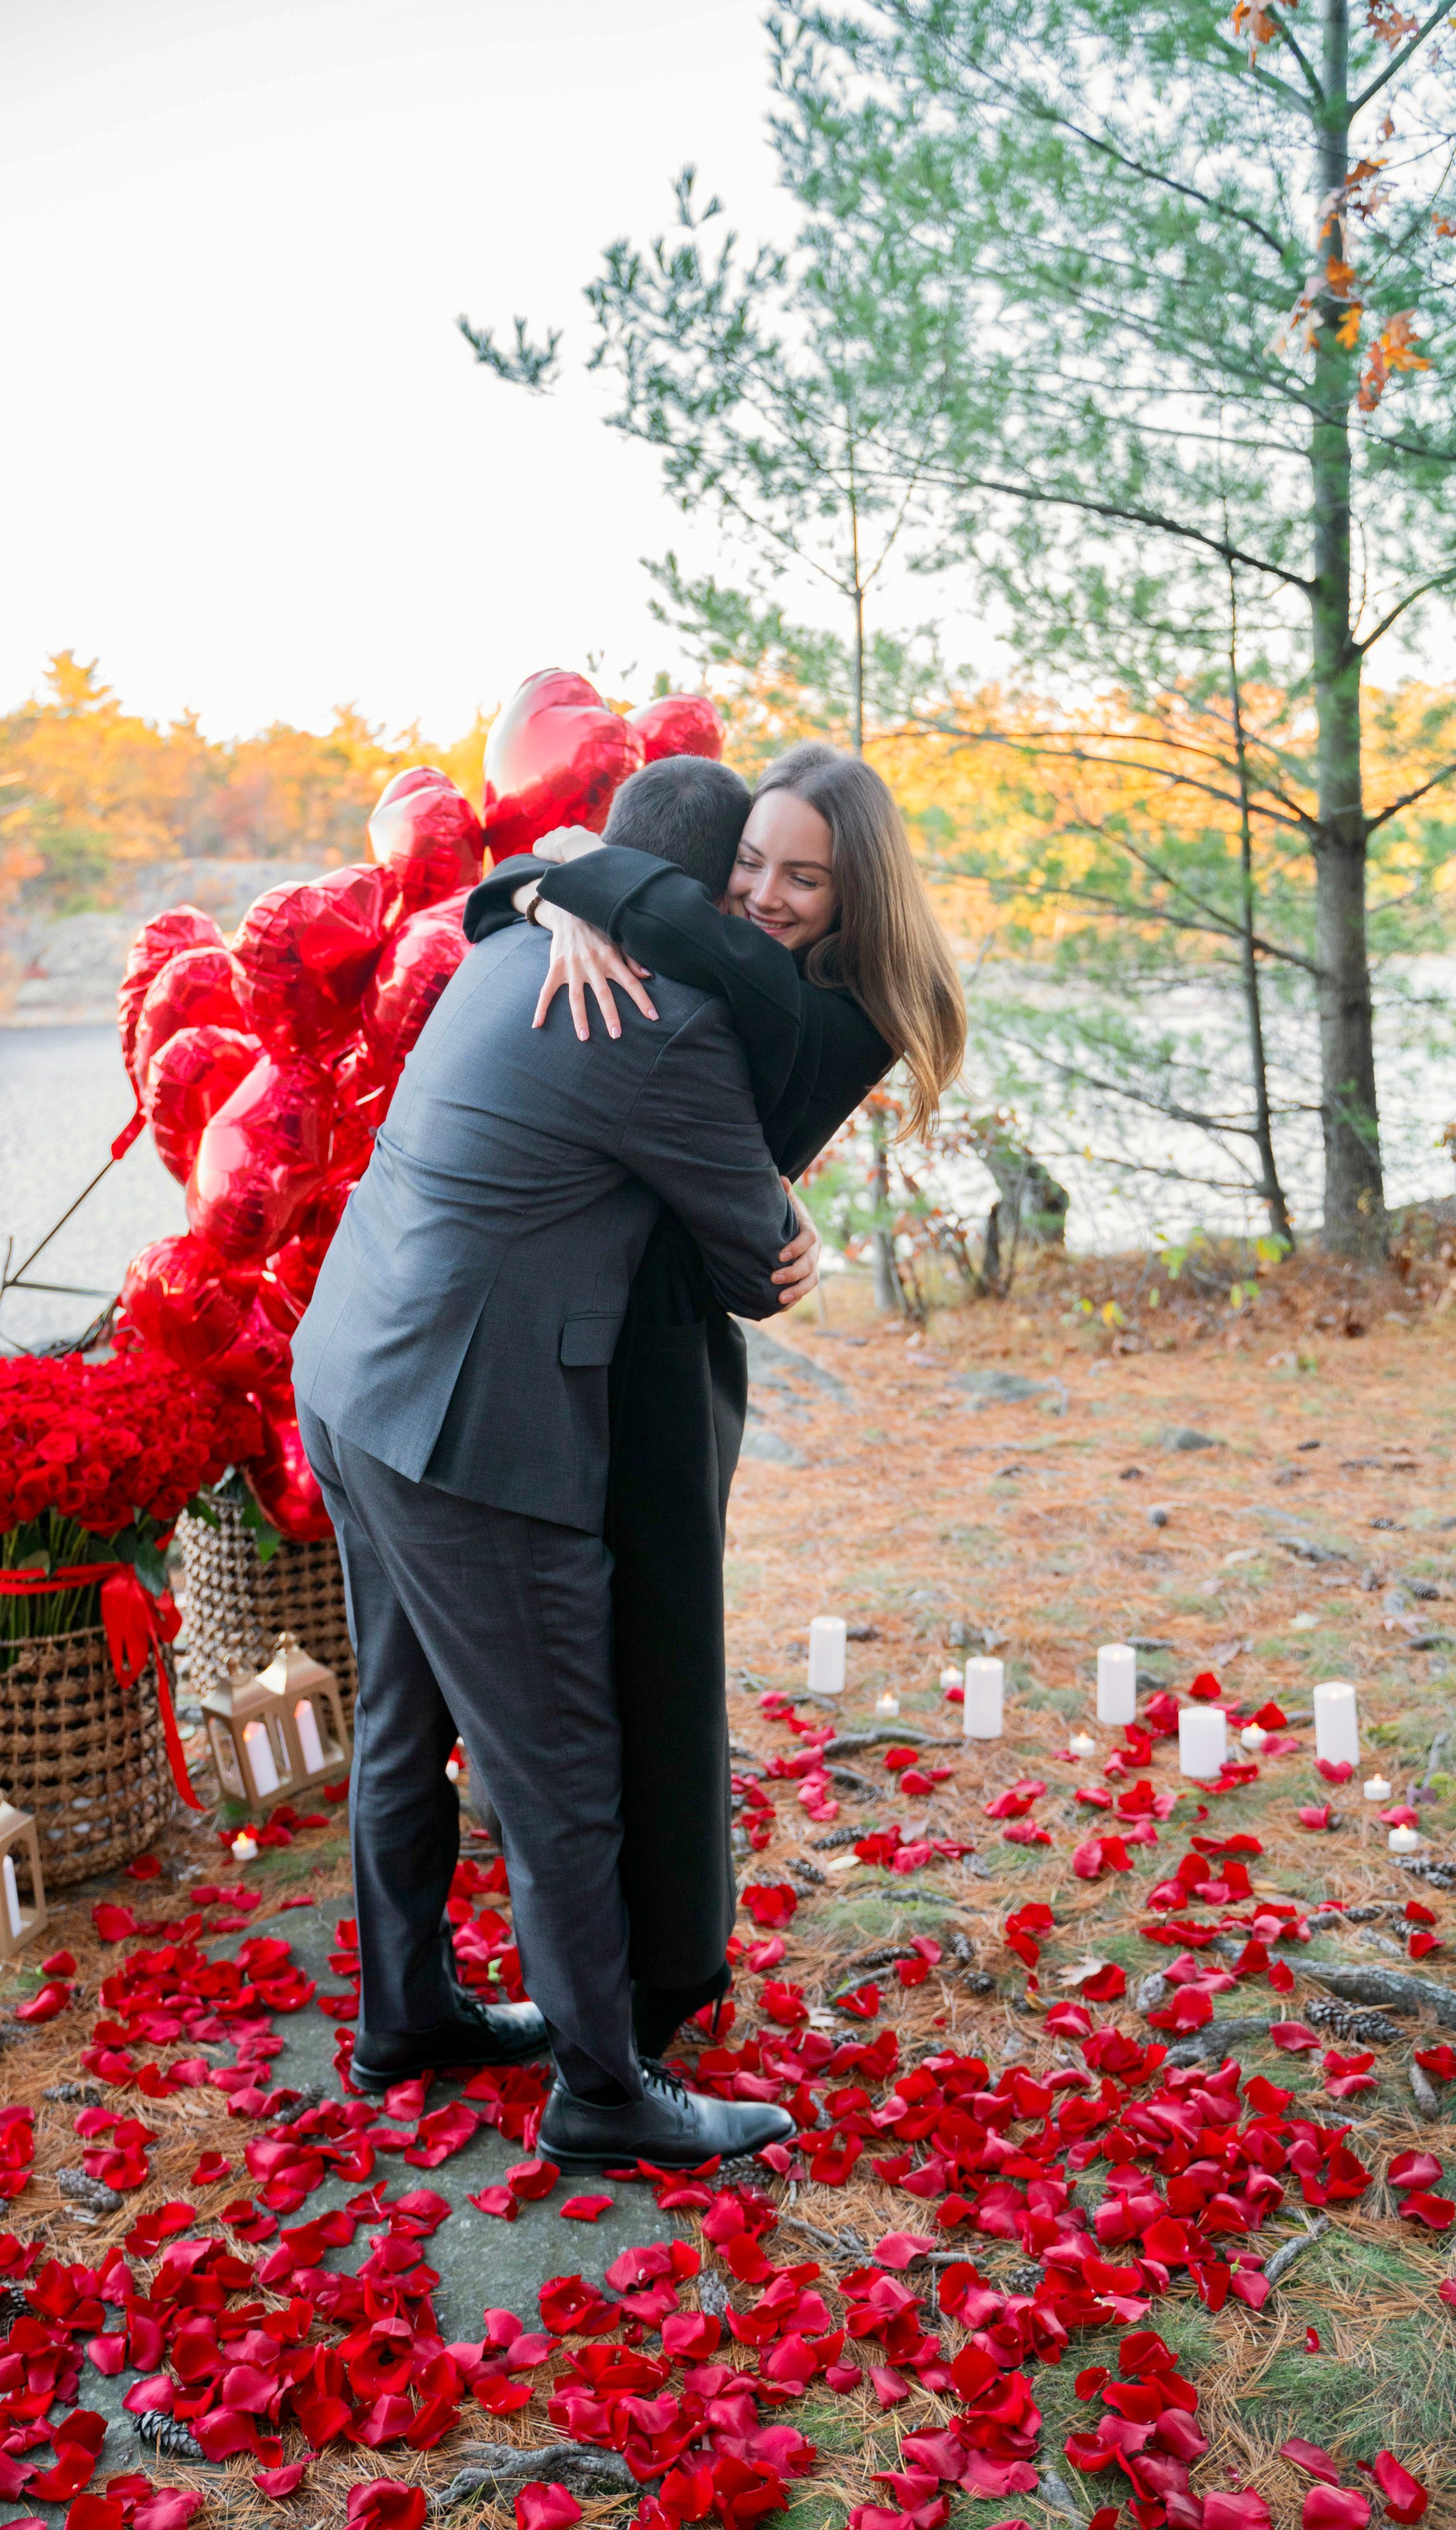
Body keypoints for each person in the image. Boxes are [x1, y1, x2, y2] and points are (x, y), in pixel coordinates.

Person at [291, 886, 815, 2171]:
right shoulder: (668, 1021)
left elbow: (536, 869)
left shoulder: (515, 938)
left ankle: (406, 2013)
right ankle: (601, 2087)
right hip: (471, 1431)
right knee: (562, 1768)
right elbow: (756, 1262)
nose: (760, 912)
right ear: (693, 900)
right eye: (747, 885)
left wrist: (544, 882)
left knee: (401, 1724)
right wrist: (797, 1230)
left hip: (350, 1368)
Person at [466, 741, 966, 2058]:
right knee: (600, 1650)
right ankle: (612, 1954)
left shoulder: (828, 1005)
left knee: (663, 1658)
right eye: (750, 859)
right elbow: (547, 906)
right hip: (613, 1328)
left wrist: (569, 873)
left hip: (671, 1350)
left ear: (858, 895)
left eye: (804, 876)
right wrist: (553, 892)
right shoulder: (750, 960)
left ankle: (668, 1975)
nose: (764, 893)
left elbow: (678, 928)